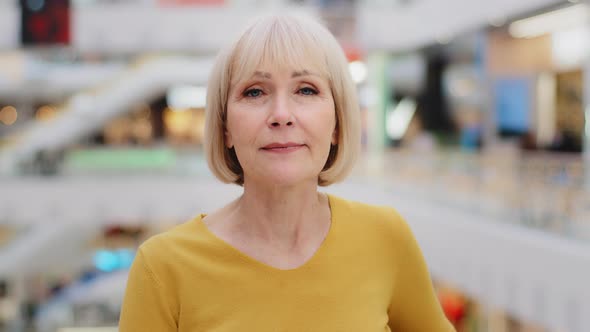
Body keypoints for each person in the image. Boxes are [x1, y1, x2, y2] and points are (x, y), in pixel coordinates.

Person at [119, 13, 454, 332]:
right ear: (225, 129)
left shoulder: (386, 237)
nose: (281, 115)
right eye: (254, 92)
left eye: (306, 90)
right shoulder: (163, 267)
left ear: (337, 123)